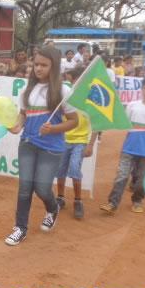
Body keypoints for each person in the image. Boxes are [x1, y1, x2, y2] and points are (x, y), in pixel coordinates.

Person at [5, 46, 78, 246]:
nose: (38, 68)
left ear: (54, 67)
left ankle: (52, 209)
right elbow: (23, 115)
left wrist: (54, 129)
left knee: (42, 188)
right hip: (28, 143)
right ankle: (20, 228)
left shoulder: (63, 91)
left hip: (52, 147)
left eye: (44, 65)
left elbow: (74, 122)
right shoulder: (27, 90)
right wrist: (18, 126)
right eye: (36, 64)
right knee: (25, 187)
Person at [100, 75, 145, 215]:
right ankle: (112, 202)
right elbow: (125, 125)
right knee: (121, 176)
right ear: (141, 89)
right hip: (129, 148)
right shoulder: (132, 105)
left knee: (142, 180)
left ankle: (137, 200)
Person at [55, 68, 97, 219]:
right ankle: (60, 198)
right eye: (74, 80)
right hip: (63, 140)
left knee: (74, 168)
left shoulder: (91, 101)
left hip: (80, 142)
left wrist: (90, 145)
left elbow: (97, 124)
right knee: (60, 170)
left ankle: (78, 201)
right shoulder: (65, 98)